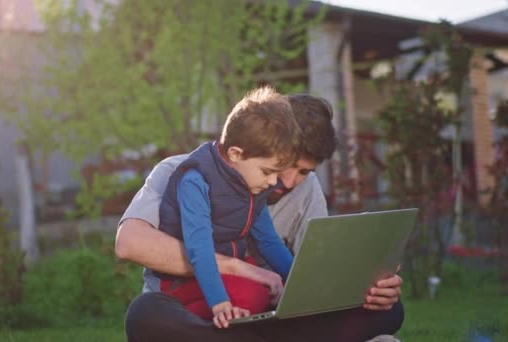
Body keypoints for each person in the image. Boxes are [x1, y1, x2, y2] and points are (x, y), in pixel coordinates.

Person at [115, 93, 405, 342]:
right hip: (191, 311)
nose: (289, 181)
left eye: (304, 171)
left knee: (390, 310)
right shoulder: (182, 172)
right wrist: (238, 268)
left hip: (269, 316)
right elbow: (129, 243)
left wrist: (368, 284)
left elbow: (312, 275)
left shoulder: (302, 190)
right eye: (284, 166)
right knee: (145, 314)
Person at [156, 87, 299, 328]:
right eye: (268, 172)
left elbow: (268, 241)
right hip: (185, 280)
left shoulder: (255, 185)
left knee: (273, 290)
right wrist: (220, 302)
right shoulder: (196, 180)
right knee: (255, 296)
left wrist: (301, 283)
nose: (274, 182)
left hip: (230, 273)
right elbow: (199, 250)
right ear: (235, 154)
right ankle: (184, 323)